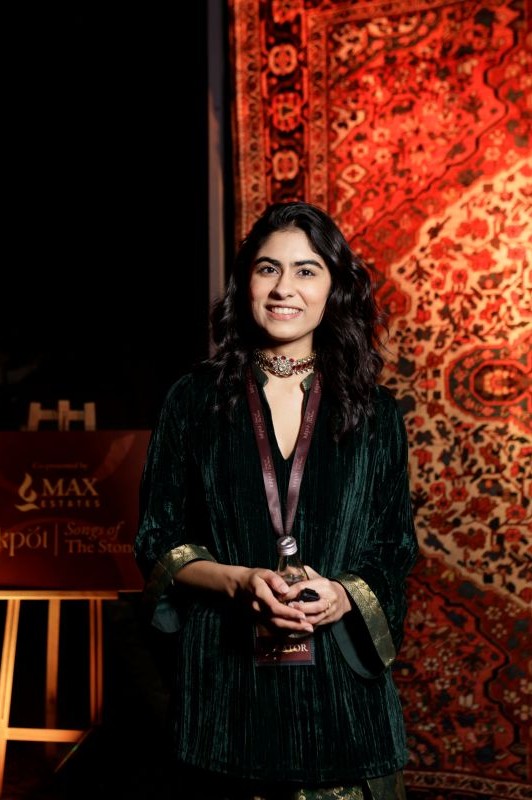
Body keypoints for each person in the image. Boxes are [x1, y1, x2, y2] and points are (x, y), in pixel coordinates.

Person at [134, 200, 419, 799]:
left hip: (341, 694)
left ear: (334, 287)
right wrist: (239, 582)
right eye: (268, 268)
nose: (284, 287)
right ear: (245, 282)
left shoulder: (375, 413)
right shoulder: (193, 400)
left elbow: (393, 547)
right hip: (224, 693)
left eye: (306, 270)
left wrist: (342, 595)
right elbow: (158, 539)